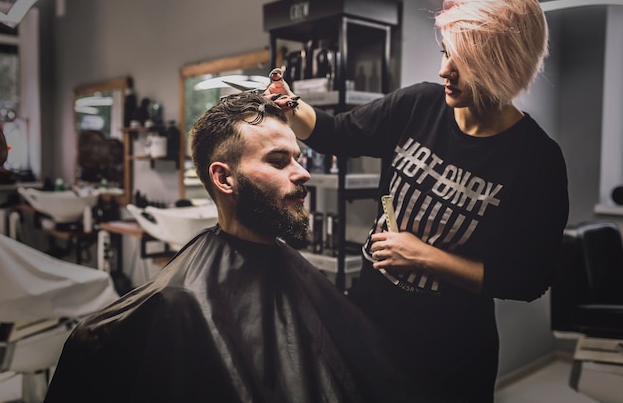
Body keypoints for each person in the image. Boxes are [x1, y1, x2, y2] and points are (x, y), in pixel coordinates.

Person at [265, 0, 569, 401]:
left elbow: (529, 279)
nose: (446, 71)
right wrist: (290, 104)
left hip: (450, 356)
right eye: (446, 52)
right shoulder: (418, 105)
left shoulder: (537, 160)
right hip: (370, 324)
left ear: (506, 65)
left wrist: (422, 256)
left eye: (467, 62)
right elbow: (338, 133)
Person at [44, 93, 444, 403]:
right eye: (278, 160)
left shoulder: (296, 273)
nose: (302, 172)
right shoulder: (180, 299)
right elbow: (91, 346)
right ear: (224, 178)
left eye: (298, 158)